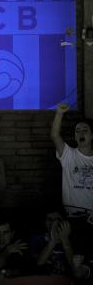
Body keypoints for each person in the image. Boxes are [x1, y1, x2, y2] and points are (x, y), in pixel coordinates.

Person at [51, 103, 93, 258]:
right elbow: (55, 136)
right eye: (77, 131)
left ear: (92, 135)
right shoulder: (69, 155)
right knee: (75, 259)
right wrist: (59, 114)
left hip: (91, 218)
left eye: (85, 130)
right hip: (72, 218)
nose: (81, 133)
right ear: (75, 136)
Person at [29, 209, 74, 276]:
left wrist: (65, 239)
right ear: (44, 222)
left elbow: (73, 264)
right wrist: (53, 240)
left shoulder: (71, 237)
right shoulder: (36, 238)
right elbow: (39, 263)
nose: (54, 223)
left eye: (58, 219)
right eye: (50, 219)